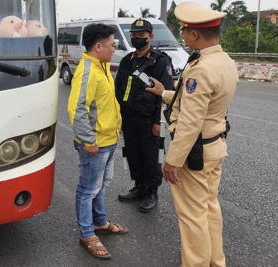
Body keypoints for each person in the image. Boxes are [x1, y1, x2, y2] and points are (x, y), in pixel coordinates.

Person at [147, 3, 239, 266]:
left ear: (195, 34)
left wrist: (173, 160)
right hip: (214, 147)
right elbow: (195, 104)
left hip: (193, 154)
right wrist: (163, 92)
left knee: (192, 216)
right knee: (210, 208)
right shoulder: (225, 62)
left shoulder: (200, 68)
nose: (183, 35)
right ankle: (215, 261)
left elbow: (189, 121)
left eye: (184, 30)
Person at [67, 23, 128, 260]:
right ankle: (87, 233)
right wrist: (88, 140)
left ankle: (100, 221)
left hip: (108, 139)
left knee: (102, 184)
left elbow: (103, 105)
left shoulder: (101, 66)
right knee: (88, 189)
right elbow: (76, 109)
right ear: (99, 46)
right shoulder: (87, 71)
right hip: (96, 144)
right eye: (112, 45)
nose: (115, 49)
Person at [115, 18, 173, 212]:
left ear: (151, 37)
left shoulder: (160, 61)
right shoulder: (126, 61)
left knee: (150, 156)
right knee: (133, 153)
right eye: (134, 35)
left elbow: (164, 94)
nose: (137, 38)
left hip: (149, 120)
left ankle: (151, 191)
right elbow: (119, 90)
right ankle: (139, 187)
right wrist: (119, 118)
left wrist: (158, 121)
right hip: (129, 118)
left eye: (142, 35)